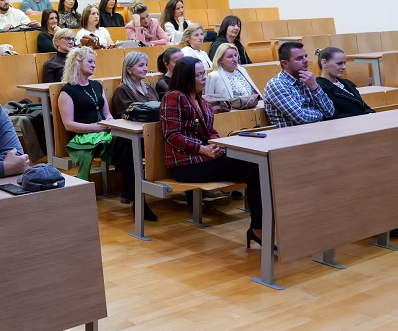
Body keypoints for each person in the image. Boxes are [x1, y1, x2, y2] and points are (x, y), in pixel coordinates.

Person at [160, 57, 265, 247]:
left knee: (256, 167)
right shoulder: (174, 97)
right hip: (185, 164)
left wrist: (217, 144)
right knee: (255, 167)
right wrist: (203, 149)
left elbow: (210, 131)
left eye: (204, 73)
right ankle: (258, 228)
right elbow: (172, 135)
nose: (204, 78)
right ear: (185, 77)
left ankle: (259, 227)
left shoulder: (199, 97)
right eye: (198, 75)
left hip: (204, 157)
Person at [110, 51, 161, 220]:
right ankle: (138, 199)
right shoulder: (122, 90)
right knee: (132, 149)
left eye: (146, 65)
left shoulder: (149, 88)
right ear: (129, 69)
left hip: (151, 133)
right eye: (141, 65)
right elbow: (126, 117)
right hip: (129, 137)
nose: (145, 68)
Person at [57, 47, 114, 180]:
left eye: (94, 62)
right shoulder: (67, 91)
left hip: (103, 132)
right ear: (77, 62)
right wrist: (99, 127)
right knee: (123, 142)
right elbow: (68, 125)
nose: (94, 65)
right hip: (83, 137)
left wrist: (110, 121)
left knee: (127, 140)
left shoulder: (97, 85)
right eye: (89, 61)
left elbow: (107, 113)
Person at [264, 42, 335, 127]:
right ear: (285, 63)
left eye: (306, 56)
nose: (306, 60)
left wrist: (315, 87)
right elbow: (301, 117)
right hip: (291, 134)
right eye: (299, 58)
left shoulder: (307, 80)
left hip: (314, 130)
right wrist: (321, 114)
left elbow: (330, 112)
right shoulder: (276, 85)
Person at [315, 47, 375, 119]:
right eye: (339, 63)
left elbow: (364, 106)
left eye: (344, 63)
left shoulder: (347, 83)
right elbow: (335, 116)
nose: (344, 67)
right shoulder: (319, 88)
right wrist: (361, 119)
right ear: (324, 63)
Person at [205, 43, 262, 109]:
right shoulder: (213, 76)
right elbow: (209, 104)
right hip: (230, 113)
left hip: (251, 108)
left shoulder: (242, 70)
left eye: (235, 55)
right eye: (230, 57)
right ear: (220, 60)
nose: (235, 59)